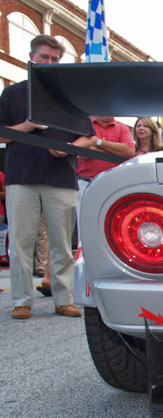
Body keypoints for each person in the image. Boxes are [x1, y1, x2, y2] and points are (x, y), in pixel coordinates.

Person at [0, 35, 97, 320]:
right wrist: (27, 126)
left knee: (63, 244)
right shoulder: (13, 94)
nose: (49, 63)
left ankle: (63, 299)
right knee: (20, 242)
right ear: (31, 58)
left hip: (61, 176)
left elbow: (88, 138)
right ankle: (21, 301)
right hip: (22, 175)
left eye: (55, 59)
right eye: (44, 57)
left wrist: (67, 149)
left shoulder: (68, 96)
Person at [37, 116, 134, 297]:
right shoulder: (83, 123)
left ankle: (102, 280)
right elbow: (78, 152)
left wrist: (96, 142)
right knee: (76, 235)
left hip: (110, 186)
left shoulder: (121, 129)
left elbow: (128, 151)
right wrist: (107, 147)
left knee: (109, 234)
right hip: (84, 183)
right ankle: (68, 281)